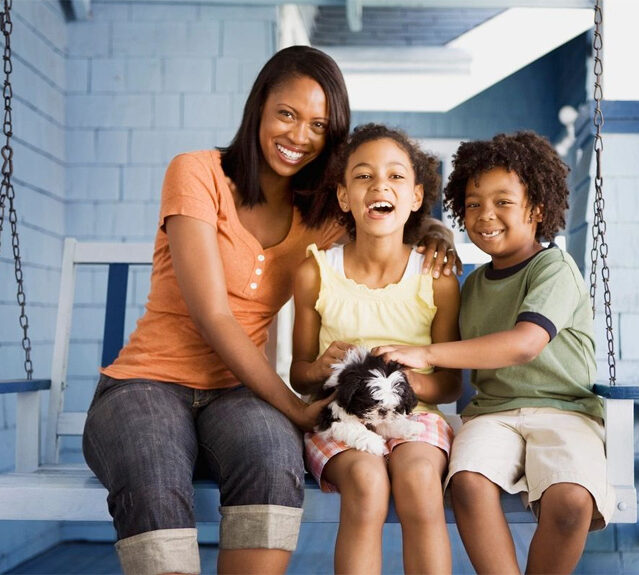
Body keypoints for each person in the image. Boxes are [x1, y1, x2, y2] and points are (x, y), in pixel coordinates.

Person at [81, 47, 457, 575]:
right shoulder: (197, 173)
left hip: (238, 393)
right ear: (259, 106)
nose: (299, 135)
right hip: (146, 382)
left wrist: (434, 232)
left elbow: (382, 216)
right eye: (287, 114)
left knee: (272, 461)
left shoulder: (321, 216)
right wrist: (295, 406)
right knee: (154, 474)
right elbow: (214, 314)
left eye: (319, 125)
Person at [375, 131, 615, 575]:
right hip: (492, 415)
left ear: (538, 209)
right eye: (472, 204)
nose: (485, 215)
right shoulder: (473, 283)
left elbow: (525, 344)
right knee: (467, 483)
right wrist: (435, 235)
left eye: (503, 202)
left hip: (566, 413)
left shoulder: (554, 268)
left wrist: (425, 352)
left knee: (571, 501)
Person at [290, 124, 462, 575]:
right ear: (344, 196)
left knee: (420, 477)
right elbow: (299, 374)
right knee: (367, 481)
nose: (380, 185)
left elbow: (448, 384)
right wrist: (319, 368)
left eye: (396, 177)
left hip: (414, 414)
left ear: (416, 196)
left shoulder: (436, 277)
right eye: (363, 176)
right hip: (338, 419)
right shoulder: (316, 272)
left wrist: (405, 381)